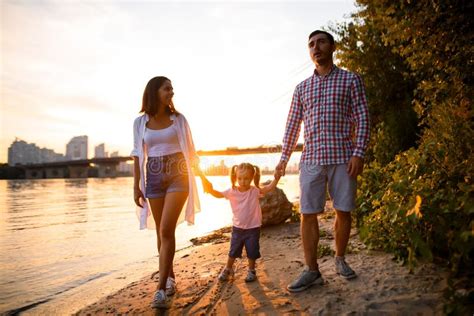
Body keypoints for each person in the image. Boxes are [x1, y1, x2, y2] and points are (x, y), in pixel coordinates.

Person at [275, 30, 370, 292]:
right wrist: (284, 160)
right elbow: (292, 126)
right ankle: (312, 270)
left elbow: (363, 117)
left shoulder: (351, 80)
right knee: (307, 214)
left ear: (332, 46)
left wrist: (359, 152)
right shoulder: (302, 88)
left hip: (343, 157)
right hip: (312, 160)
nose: (315, 48)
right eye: (311, 45)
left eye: (321, 42)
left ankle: (340, 258)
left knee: (343, 210)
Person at [131, 76, 202, 309]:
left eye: (172, 88)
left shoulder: (179, 120)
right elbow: (136, 154)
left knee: (165, 228)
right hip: (153, 176)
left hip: (178, 173)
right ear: (155, 92)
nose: (171, 92)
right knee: (160, 233)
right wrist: (136, 185)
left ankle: (160, 289)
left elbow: (191, 151)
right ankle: (170, 277)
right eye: (167, 88)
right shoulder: (140, 123)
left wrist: (202, 179)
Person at [200, 163, 280, 282]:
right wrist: (210, 190)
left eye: (246, 178)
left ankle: (251, 270)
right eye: (240, 178)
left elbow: (268, 188)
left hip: (253, 228)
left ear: (252, 178)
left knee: (252, 251)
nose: (243, 181)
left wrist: (276, 179)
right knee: (233, 250)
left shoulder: (254, 191)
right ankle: (228, 269)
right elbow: (219, 194)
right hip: (237, 228)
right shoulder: (232, 191)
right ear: (235, 177)